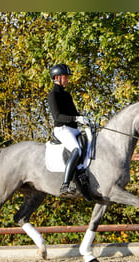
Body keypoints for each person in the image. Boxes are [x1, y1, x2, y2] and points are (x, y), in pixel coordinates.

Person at [48, 64, 90, 195]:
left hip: (73, 129)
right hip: (62, 129)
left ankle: (81, 171)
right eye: (65, 77)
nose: (67, 80)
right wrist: (76, 119)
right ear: (57, 78)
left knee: (89, 142)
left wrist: (84, 118)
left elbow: (74, 113)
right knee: (76, 149)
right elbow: (58, 116)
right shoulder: (53, 95)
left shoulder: (67, 95)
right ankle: (65, 184)